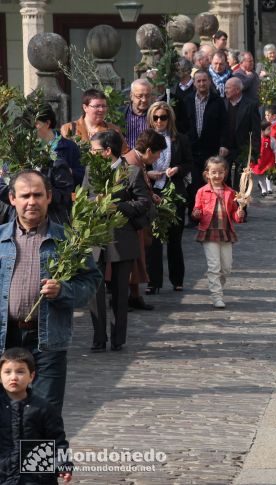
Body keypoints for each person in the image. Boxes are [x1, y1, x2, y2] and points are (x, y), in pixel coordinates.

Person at [1, 170, 101, 410]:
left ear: (49, 197)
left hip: (47, 339)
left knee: (45, 411)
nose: (31, 202)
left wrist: (64, 290)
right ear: (12, 199)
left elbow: (91, 281)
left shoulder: (68, 240)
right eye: (25, 196)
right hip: (5, 338)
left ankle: (36, 449)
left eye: (38, 195)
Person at [87, 130, 150, 353]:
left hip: (121, 236)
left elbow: (144, 203)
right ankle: (98, 337)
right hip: (95, 236)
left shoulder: (131, 172)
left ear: (107, 151)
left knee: (120, 291)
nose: (90, 153)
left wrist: (117, 206)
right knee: (94, 291)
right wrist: (96, 202)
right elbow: (84, 197)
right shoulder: (90, 171)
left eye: (93, 150)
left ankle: (117, 338)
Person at [0, 348, 72, 483]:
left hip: (35, 477)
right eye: (7, 372)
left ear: (31, 376)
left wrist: (62, 464)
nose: (13, 377)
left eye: (20, 372)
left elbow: (57, 440)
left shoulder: (43, 408)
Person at [145, 101, 192, 294]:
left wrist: (178, 169)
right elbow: (138, 164)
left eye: (163, 117)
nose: (159, 121)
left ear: (169, 118)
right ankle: (153, 281)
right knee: (154, 240)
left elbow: (189, 163)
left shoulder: (180, 139)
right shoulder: (146, 139)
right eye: (155, 117)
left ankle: (177, 279)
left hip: (174, 191)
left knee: (175, 238)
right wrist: (148, 174)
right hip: (153, 191)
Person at [192, 157, 245, 309]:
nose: (217, 175)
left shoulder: (231, 192)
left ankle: (218, 287)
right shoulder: (202, 192)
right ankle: (217, 296)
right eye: (213, 172)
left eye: (220, 172)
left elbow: (235, 214)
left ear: (225, 173)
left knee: (226, 267)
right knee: (214, 265)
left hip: (226, 233)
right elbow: (197, 210)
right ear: (206, 174)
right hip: (209, 233)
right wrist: (196, 214)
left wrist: (240, 215)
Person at [123, 129, 166, 312]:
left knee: (136, 259)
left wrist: (151, 195)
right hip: (130, 219)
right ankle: (124, 297)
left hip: (135, 219)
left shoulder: (137, 160)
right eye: (157, 154)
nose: (157, 159)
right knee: (129, 260)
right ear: (149, 151)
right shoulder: (132, 162)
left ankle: (134, 295)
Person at [182, 70, 229, 224]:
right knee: (193, 183)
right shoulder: (187, 100)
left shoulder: (217, 101)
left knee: (209, 182)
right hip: (192, 148)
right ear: (194, 83)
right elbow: (182, 125)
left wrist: (223, 143)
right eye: (199, 81)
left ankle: (209, 215)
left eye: (204, 80)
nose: (202, 84)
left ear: (209, 82)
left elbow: (224, 125)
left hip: (211, 147)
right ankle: (194, 214)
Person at [60, 88, 128, 153]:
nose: (101, 110)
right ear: (85, 107)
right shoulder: (69, 129)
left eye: (104, 106)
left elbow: (125, 154)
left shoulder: (113, 130)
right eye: (97, 106)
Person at [223, 76, 261, 190]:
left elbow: (255, 130)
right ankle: (227, 205)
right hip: (225, 148)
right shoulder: (222, 103)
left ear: (237, 90)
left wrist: (254, 152)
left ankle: (240, 206)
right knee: (224, 178)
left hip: (243, 148)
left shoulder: (250, 105)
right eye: (225, 88)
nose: (225, 91)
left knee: (241, 180)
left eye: (228, 88)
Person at [36, 104, 83, 188]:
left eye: (35, 124)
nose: (31, 128)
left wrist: (69, 172)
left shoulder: (69, 147)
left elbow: (81, 176)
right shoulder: (26, 148)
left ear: (47, 123)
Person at [251, 121, 276, 196]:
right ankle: (263, 190)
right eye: (268, 129)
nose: (270, 131)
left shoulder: (271, 140)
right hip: (259, 161)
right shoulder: (256, 140)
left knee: (268, 174)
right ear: (262, 130)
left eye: (270, 129)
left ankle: (269, 188)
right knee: (261, 176)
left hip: (269, 160)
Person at [124, 78, 153, 148]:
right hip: (126, 157)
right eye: (140, 96)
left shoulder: (156, 114)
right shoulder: (121, 114)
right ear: (131, 96)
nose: (144, 100)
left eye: (147, 96)